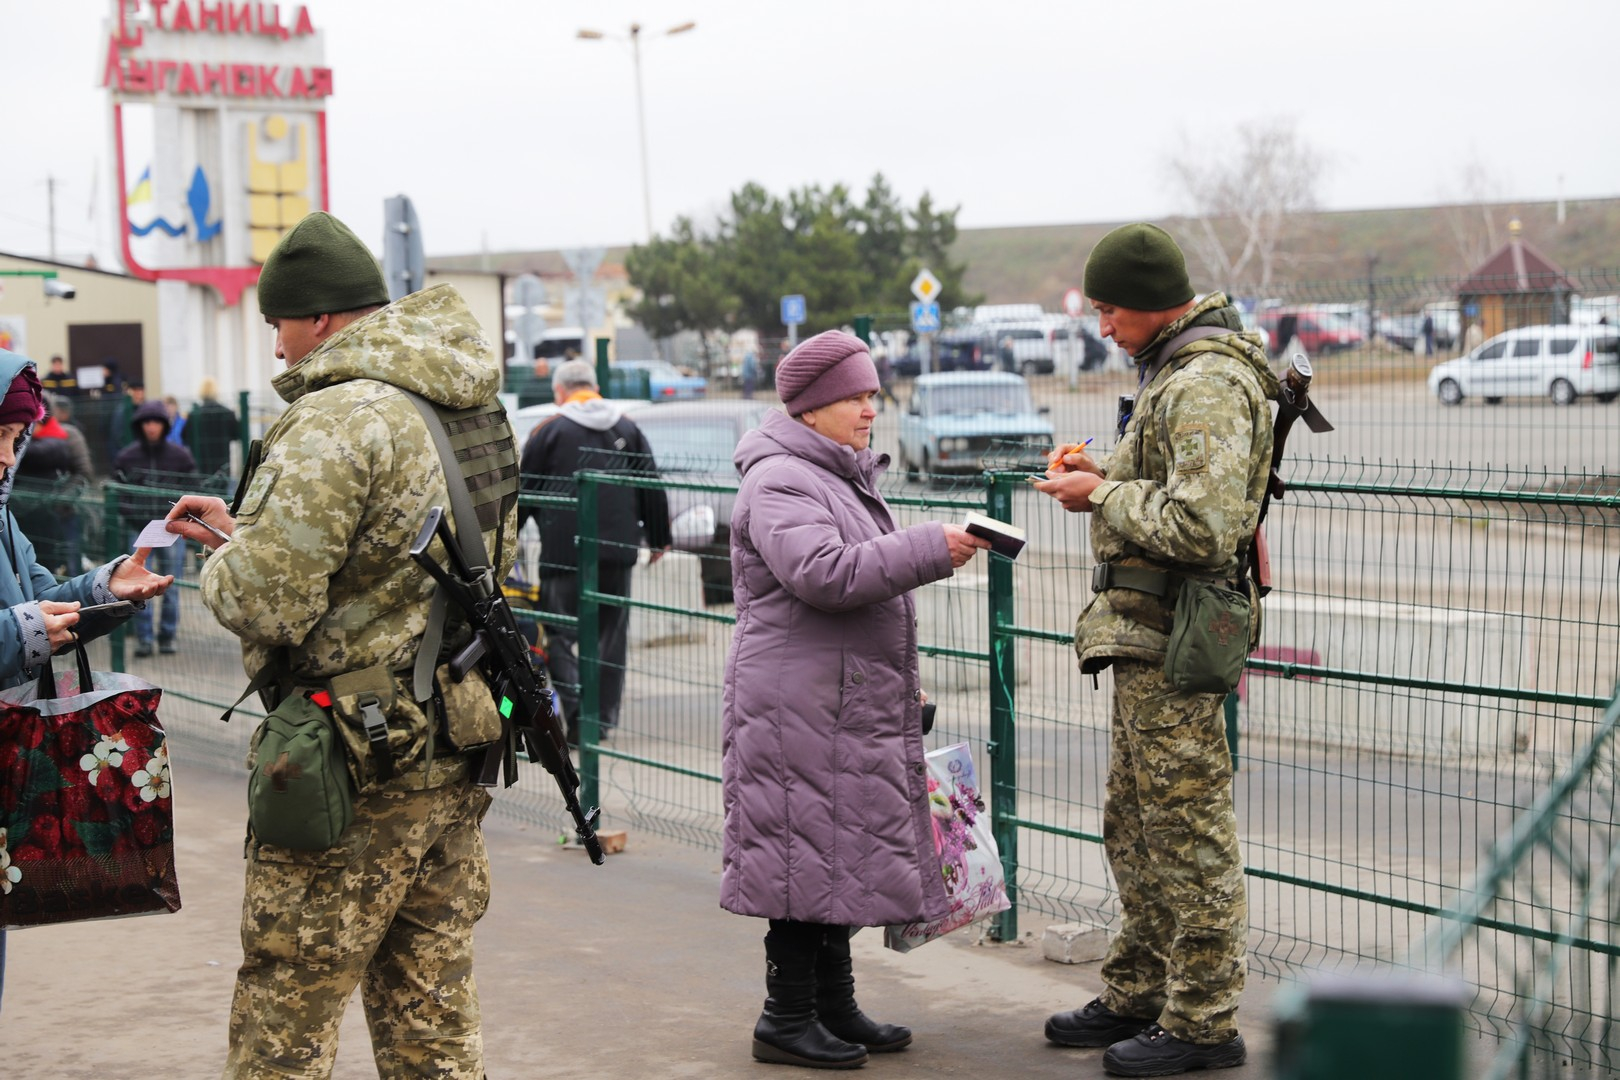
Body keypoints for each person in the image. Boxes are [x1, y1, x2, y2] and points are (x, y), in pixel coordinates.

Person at [165, 210, 517, 1079]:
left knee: (289, 1012)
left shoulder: (336, 418)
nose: (279, 349)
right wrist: (250, 530)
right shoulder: (467, 402)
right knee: (430, 1008)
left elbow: (268, 604)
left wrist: (225, 560)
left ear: (319, 317)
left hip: (348, 760)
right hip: (454, 735)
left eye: (279, 324)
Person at [1030, 224, 1278, 1077]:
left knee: (1188, 834)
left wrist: (1099, 493)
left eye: (1108, 309)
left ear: (1147, 303)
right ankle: (1140, 989)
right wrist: (1101, 474)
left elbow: (1204, 528)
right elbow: (1170, 489)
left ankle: (1204, 1022)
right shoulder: (1174, 371)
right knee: (1134, 826)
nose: (1103, 326)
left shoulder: (1204, 380)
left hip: (1177, 639)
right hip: (1146, 638)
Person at [721, 329, 990, 1069]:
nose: (871, 409)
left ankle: (832, 1007)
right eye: (856, 397)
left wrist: (901, 677)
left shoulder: (830, 474)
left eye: (873, 395)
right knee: (798, 859)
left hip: (831, 699)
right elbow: (825, 574)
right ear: (811, 409)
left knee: (833, 852)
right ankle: (785, 1018)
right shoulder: (779, 480)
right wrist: (931, 547)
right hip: (794, 707)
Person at [0, 348, 175, 1017]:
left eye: (16, 438)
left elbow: (45, 603)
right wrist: (20, 631)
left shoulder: (4, 520)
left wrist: (106, 590)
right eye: (3, 434)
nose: (7, 455)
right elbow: (25, 623)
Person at [519, 357, 670, 744]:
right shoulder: (627, 427)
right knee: (610, 635)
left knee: (560, 633)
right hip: (618, 551)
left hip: (564, 551)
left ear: (559, 392)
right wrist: (658, 538)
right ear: (595, 387)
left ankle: (576, 716)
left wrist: (507, 541)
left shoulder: (549, 430)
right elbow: (650, 483)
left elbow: (523, 491)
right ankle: (601, 720)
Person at [113, 399, 197, 657]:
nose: (151, 427)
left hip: (171, 529)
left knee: (171, 584)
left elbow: (192, 488)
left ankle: (167, 635)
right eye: (147, 422)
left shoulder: (180, 455)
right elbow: (117, 492)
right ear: (140, 425)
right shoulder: (127, 457)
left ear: (164, 425)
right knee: (139, 586)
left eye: (156, 422)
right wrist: (133, 517)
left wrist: (180, 520)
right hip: (138, 530)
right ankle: (144, 639)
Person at [12, 391, 94, 577]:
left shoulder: (68, 435)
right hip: (34, 513)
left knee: (71, 560)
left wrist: (61, 500)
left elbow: (83, 472)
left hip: (64, 510)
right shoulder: (23, 440)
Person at [183, 377, 239, 480]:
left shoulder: (194, 414)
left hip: (201, 462)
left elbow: (185, 437)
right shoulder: (227, 413)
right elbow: (236, 435)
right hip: (223, 461)